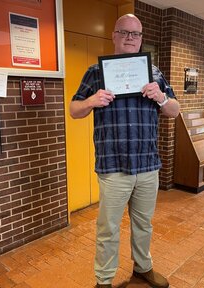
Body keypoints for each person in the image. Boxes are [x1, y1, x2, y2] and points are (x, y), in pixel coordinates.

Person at [70, 14, 180, 288]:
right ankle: (104, 281)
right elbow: (74, 110)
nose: (130, 38)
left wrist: (161, 97)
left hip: (147, 164)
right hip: (113, 165)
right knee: (108, 230)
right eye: (124, 32)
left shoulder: (154, 74)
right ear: (114, 35)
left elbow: (175, 111)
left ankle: (143, 268)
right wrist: (93, 101)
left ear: (141, 39)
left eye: (135, 34)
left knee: (144, 225)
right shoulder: (95, 73)